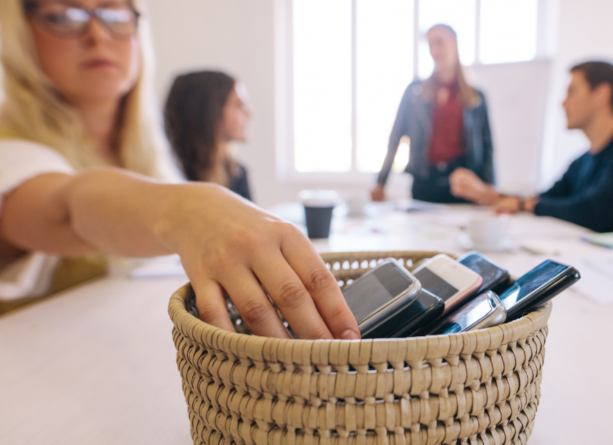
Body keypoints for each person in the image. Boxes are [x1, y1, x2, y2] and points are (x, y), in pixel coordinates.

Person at [0, 0, 359, 340]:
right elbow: (65, 207)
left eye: (114, 14)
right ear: (19, 30)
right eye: (64, 16)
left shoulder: (151, 153)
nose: (96, 35)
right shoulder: (10, 147)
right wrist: (184, 210)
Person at [451, 61, 613, 243]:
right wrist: (493, 195)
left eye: (572, 91)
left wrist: (521, 204)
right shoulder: (582, 161)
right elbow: (548, 198)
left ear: (602, 94)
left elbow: (591, 213)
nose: (563, 103)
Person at [371, 24, 494, 204]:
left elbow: (487, 147)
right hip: (424, 183)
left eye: (439, 42)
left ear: (454, 43)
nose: (434, 50)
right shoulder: (415, 93)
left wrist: (488, 191)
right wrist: (381, 183)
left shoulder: (476, 97)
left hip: (462, 184)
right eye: (430, 44)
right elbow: (395, 137)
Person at [165, 71, 252, 200]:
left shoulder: (236, 173)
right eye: (238, 105)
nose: (248, 114)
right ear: (211, 110)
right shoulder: (168, 170)